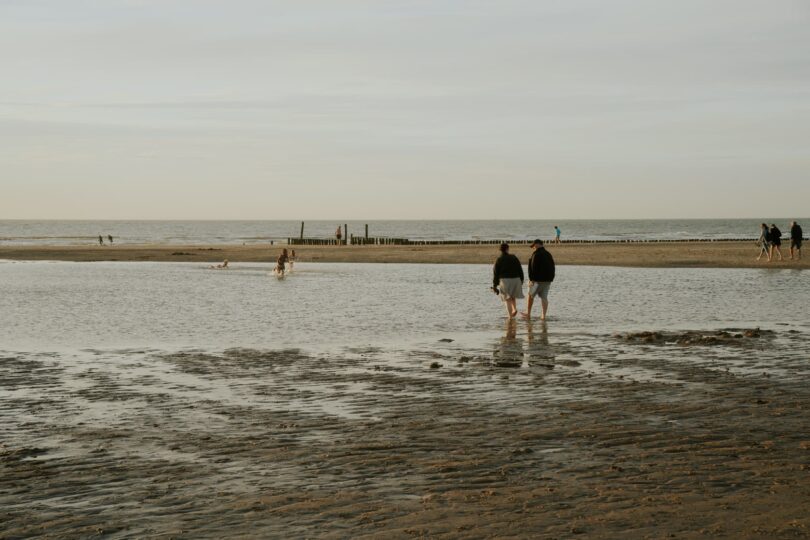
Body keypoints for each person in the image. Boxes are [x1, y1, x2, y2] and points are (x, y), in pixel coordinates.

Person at [522, 239, 556, 320]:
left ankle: (528, 313)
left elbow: (532, 268)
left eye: (533, 246)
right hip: (547, 280)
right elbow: (553, 267)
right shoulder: (548, 254)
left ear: (537, 244)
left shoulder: (536, 254)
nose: (533, 248)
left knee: (530, 296)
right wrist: (551, 278)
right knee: (544, 297)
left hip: (536, 280)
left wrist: (531, 280)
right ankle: (543, 315)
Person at [492, 243, 524, 319]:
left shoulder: (499, 259)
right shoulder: (514, 257)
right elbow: (520, 269)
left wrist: (495, 285)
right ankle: (514, 309)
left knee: (507, 299)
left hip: (505, 280)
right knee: (513, 297)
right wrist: (521, 279)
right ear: (507, 249)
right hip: (516, 279)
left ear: (500, 250)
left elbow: (495, 273)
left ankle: (510, 317)